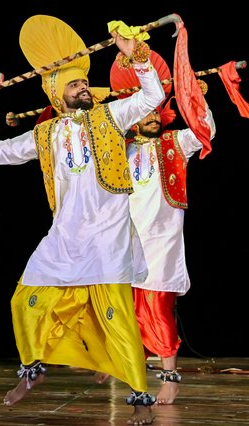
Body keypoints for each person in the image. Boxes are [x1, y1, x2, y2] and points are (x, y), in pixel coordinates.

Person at [0, 16, 166, 425]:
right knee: (24, 300)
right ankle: (33, 368)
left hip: (107, 236)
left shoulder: (112, 115)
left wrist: (136, 58)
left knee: (118, 318)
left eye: (83, 83)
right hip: (64, 237)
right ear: (58, 94)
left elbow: (152, 98)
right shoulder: (47, 134)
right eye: (74, 85)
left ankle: (141, 395)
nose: (83, 89)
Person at [105, 50, 216, 405]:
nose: (153, 117)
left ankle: (171, 378)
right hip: (128, 241)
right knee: (131, 308)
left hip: (161, 243)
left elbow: (205, 132)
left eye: (156, 112)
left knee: (157, 307)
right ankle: (124, 362)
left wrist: (196, 99)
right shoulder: (120, 149)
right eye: (146, 112)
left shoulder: (174, 144)